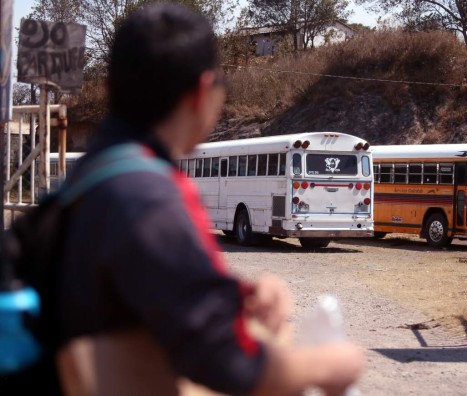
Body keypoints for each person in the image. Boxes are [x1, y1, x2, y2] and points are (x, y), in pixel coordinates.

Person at [55, 3, 363, 396]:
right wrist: (329, 364)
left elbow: (148, 283)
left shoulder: (92, 176)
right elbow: (225, 360)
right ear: (203, 92)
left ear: (111, 89)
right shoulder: (150, 196)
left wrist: (237, 293)